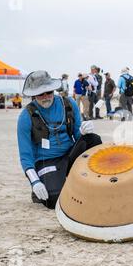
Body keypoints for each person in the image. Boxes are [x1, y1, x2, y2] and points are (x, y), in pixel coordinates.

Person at [17, 71, 102, 209]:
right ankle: (46, 183)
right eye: (40, 94)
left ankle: (93, 183)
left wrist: (84, 131)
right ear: (33, 94)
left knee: (93, 139)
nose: (46, 97)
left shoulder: (69, 104)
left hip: (69, 155)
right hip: (47, 161)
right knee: (54, 199)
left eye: (49, 92)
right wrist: (35, 182)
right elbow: (25, 156)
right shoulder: (26, 116)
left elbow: (77, 135)